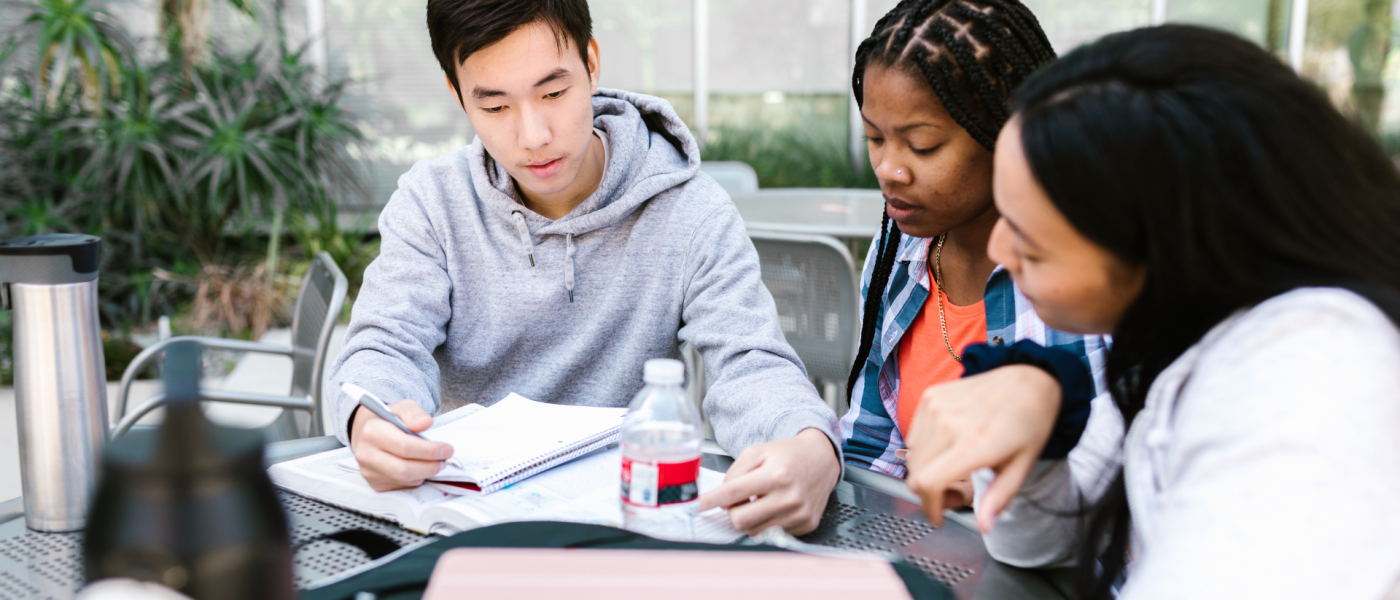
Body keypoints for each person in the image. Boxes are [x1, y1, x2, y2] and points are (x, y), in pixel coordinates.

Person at [903, 25, 1400, 599]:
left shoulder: (1318, 376)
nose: (998, 252)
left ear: (1171, 246)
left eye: (1030, 240)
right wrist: (1037, 428)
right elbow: (1036, 541)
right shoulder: (1174, 336)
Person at [327, 0, 841, 536]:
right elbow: (382, 346)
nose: (533, 136)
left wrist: (811, 443)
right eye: (496, 107)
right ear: (458, 96)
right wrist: (373, 419)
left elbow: (751, 365)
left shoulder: (691, 211)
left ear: (591, 63)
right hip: (463, 521)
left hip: (623, 522)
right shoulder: (432, 202)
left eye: (553, 93)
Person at [839, 0, 1108, 502]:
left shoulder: (1089, 270)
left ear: (1008, 133)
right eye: (875, 138)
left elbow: (1125, 463)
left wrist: (1009, 483)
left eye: (922, 147)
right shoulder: (898, 249)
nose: (889, 169)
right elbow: (869, 443)